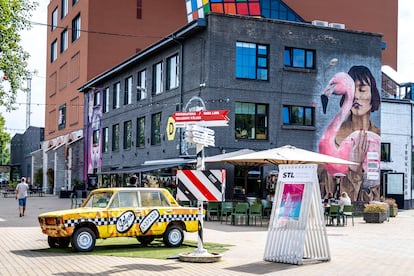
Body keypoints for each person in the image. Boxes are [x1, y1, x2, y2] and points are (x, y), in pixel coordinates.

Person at [319, 65, 381, 202]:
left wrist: (355, 171)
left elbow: (372, 196)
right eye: (352, 90)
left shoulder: (377, 137)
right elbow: (323, 188)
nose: (356, 96)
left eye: (362, 89)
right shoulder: (333, 138)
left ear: (373, 96)